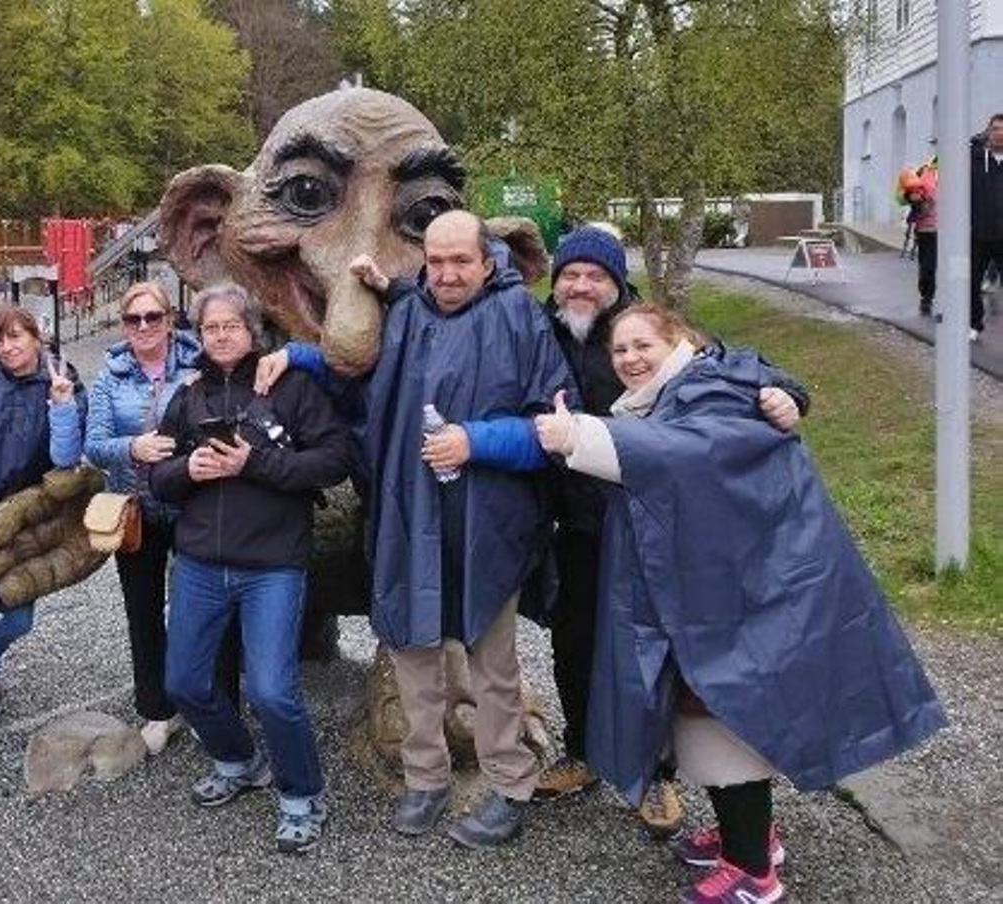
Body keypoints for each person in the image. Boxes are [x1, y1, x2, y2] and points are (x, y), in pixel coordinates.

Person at [533, 304, 945, 904]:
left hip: (740, 599)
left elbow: (692, 453)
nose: (629, 360)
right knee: (718, 713)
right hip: (724, 590)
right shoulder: (691, 388)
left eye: (642, 345)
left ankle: (753, 871)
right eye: (619, 351)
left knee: (723, 716)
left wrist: (585, 436)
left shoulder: (708, 390)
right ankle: (751, 837)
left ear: (680, 340)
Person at [258, 210, 575, 846]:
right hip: (410, 513)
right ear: (422, 262)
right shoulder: (406, 312)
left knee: (492, 664)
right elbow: (362, 390)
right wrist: (296, 355)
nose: (449, 273)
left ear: (487, 260)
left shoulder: (520, 318)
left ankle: (509, 783)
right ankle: (424, 777)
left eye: (462, 260)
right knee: (413, 653)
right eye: (436, 261)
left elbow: (554, 426)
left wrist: (476, 440)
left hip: (488, 520)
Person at [532, 227, 809, 840]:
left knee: (656, 659)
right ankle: (582, 750)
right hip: (576, 527)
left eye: (594, 275)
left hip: (654, 534)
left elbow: (741, 376)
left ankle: (657, 778)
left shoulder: (644, 333)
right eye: (569, 275)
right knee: (576, 645)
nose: (580, 286)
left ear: (615, 284)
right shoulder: (537, 331)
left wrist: (787, 395)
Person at [149, 283, 352, 854]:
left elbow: (333, 461)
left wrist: (253, 462)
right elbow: (158, 479)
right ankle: (238, 759)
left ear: (251, 330)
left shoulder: (289, 385)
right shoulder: (188, 398)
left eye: (230, 326)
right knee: (184, 681)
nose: (220, 336)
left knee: (271, 690)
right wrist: (192, 469)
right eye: (210, 328)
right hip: (198, 564)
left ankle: (301, 794)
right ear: (199, 334)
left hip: (272, 565)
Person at [84, 282, 238, 754]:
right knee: (143, 610)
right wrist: (133, 447)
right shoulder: (109, 379)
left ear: (170, 320)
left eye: (153, 317)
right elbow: (94, 446)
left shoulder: (199, 368)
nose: (145, 327)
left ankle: (216, 701)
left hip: (195, 504)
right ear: (124, 326)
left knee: (210, 609)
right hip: (137, 509)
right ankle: (156, 708)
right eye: (134, 320)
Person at [0, 307, 85, 731]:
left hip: (28, 514)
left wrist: (63, 404)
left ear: (36, 337)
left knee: (17, 613)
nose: (8, 347)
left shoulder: (61, 379)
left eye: (16, 336)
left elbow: (67, 458)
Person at [970, 113, 1003, 339]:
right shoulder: (974, 159)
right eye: (995, 129)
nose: (999, 133)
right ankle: (974, 324)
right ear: (988, 131)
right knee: (970, 282)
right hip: (977, 235)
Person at [897, 160, 939, 316]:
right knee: (927, 267)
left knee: (951, 267)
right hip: (926, 230)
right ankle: (926, 297)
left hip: (949, 232)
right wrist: (911, 196)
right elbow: (902, 196)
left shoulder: (956, 172)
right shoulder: (923, 171)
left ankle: (935, 298)